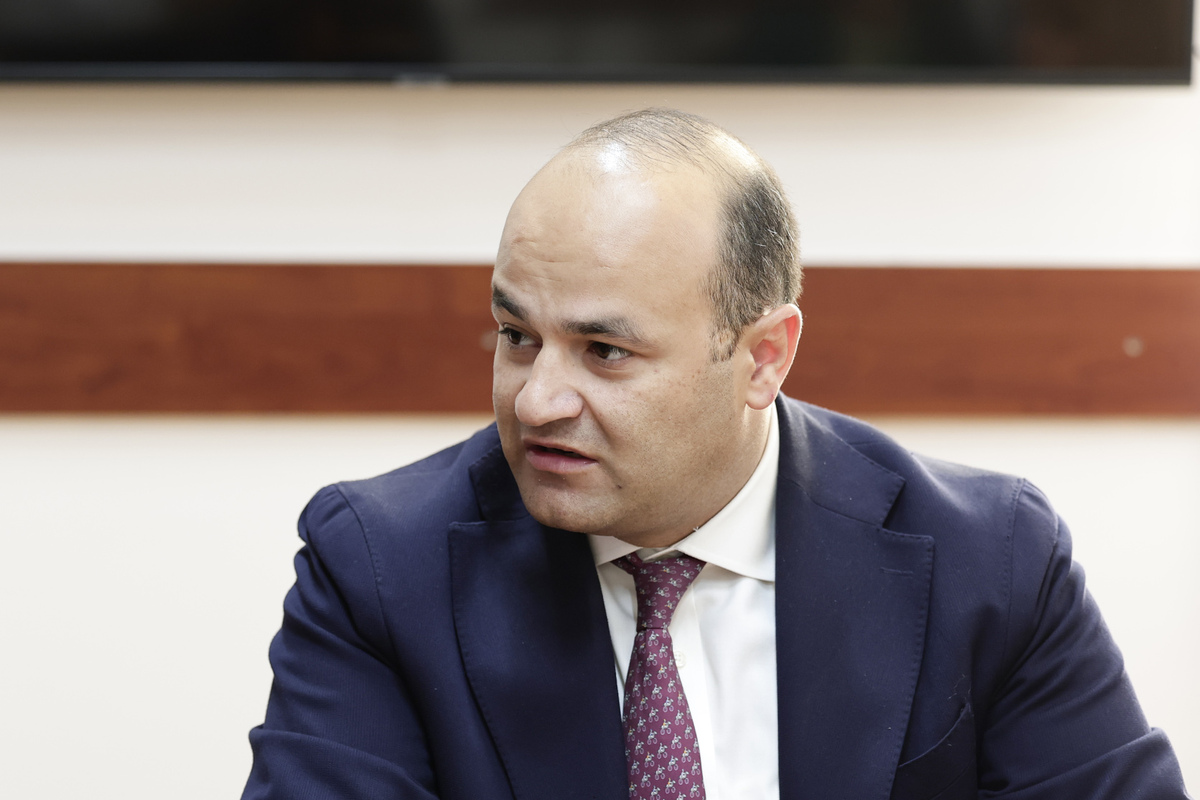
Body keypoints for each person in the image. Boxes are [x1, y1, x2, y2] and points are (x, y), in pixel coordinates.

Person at [242, 109, 1190, 800]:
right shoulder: (379, 567)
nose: (535, 401)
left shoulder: (990, 559)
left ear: (763, 358)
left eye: (604, 351)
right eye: (517, 336)